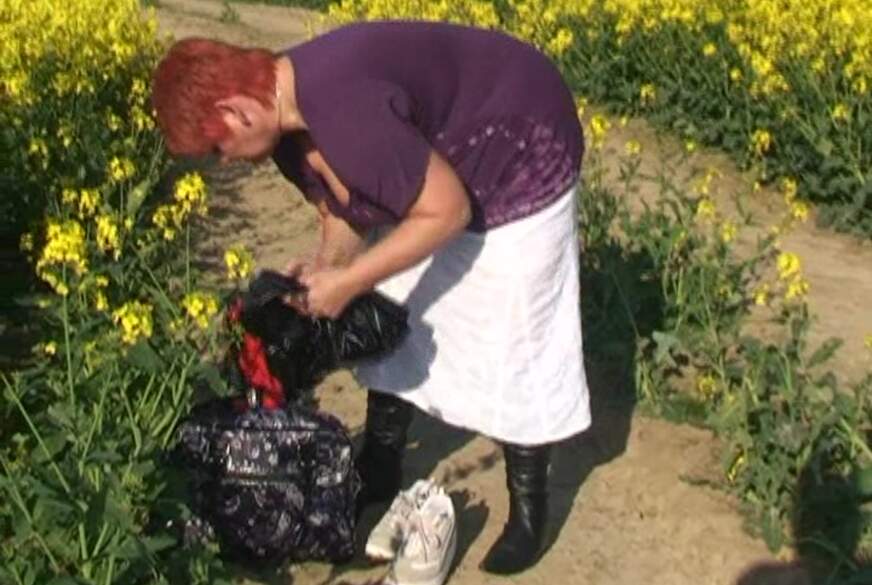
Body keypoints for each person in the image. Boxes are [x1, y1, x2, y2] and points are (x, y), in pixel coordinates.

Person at [151, 20, 591, 575]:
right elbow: (344, 207)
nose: (226, 161)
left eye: (218, 147)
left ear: (236, 110)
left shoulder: (344, 111)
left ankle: (528, 510)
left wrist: (350, 282)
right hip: (448, 165)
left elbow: (447, 211)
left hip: (519, 137)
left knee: (517, 328)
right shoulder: (286, 128)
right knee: (395, 300)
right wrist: (327, 266)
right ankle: (380, 466)